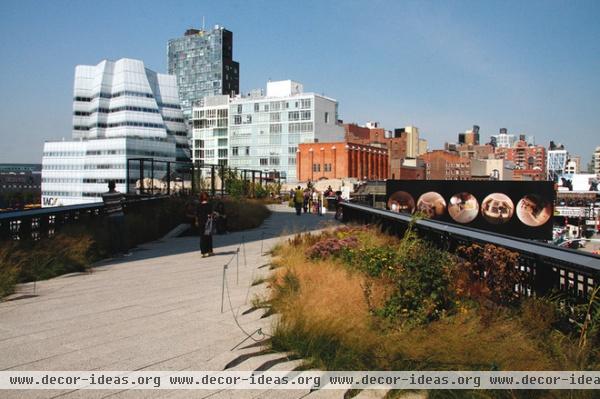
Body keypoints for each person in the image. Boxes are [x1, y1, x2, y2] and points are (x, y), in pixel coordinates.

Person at [102, 180, 129, 257]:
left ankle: (115, 252)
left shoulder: (104, 195)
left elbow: (105, 203)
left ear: (108, 186)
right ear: (115, 186)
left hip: (110, 216)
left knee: (113, 235)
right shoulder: (118, 194)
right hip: (120, 215)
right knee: (122, 234)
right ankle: (125, 251)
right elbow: (122, 200)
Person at [196, 192, 214, 257]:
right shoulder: (209, 205)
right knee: (208, 237)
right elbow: (211, 214)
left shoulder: (198, 205)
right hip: (207, 222)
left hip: (201, 222)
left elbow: (197, 214)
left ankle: (203, 252)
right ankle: (209, 251)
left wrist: (197, 221)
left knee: (202, 237)